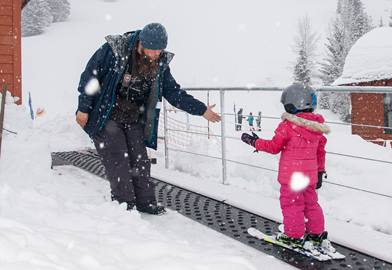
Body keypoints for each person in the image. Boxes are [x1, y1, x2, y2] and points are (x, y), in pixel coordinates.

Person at [75, 23, 221, 215]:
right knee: (118, 158)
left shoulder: (159, 63)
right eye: (151, 50)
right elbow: (89, 77)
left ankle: (145, 202)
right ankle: (124, 204)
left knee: (140, 160)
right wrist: (83, 109)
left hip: (133, 116)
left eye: (158, 51)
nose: (154, 55)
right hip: (106, 114)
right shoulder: (114, 49)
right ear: (140, 44)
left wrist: (201, 110)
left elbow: (173, 92)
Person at [240, 83, 334, 254]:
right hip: (309, 176)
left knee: (292, 205)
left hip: (292, 177)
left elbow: (274, 147)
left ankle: (294, 236)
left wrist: (255, 142)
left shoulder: (288, 126)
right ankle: (316, 235)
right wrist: (320, 172)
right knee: (311, 204)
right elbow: (321, 152)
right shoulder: (317, 129)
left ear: (292, 104)